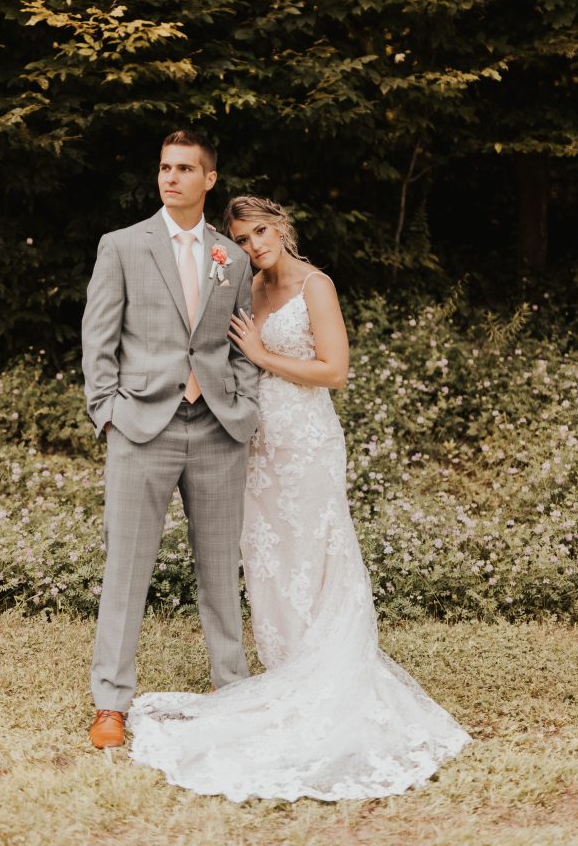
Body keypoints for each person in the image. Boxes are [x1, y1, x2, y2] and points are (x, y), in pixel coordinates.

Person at [127, 196, 471, 802]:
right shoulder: (245, 286)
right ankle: (287, 675)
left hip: (307, 441)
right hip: (255, 445)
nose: (255, 244)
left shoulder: (317, 285)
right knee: (266, 558)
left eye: (260, 231)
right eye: (242, 237)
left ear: (281, 227)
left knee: (314, 554)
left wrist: (263, 354)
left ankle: (324, 679)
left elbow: (334, 370)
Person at [81, 132, 259, 749]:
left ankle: (231, 686)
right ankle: (110, 703)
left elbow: (241, 345)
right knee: (126, 567)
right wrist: (106, 413)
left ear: (209, 179)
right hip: (140, 427)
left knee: (219, 567)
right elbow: (98, 337)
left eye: (185, 168)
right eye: (164, 167)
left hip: (216, 429)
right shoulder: (123, 246)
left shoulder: (230, 259)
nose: (171, 177)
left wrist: (245, 408)